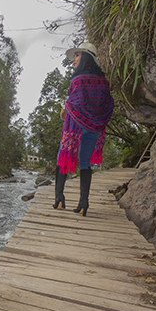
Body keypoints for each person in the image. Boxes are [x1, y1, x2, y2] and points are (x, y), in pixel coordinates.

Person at [53, 42, 114, 216]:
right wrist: (99, 118)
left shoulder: (78, 80)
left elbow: (75, 101)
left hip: (75, 125)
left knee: (62, 157)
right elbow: (109, 103)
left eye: (77, 55)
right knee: (85, 163)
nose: (74, 58)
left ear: (86, 57)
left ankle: (59, 198)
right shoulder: (104, 82)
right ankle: (83, 203)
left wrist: (66, 107)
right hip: (95, 127)